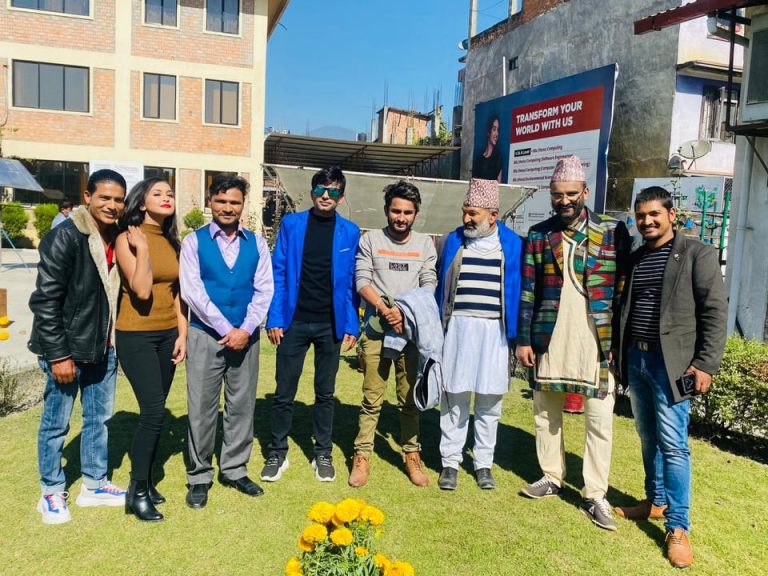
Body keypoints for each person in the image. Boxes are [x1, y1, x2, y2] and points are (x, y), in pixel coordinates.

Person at [516, 155, 630, 530]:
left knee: (599, 420)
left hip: (597, 340)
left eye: (570, 194)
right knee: (545, 412)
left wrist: (618, 341)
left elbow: (622, 290)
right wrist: (524, 339)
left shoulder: (612, 231)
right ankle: (552, 476)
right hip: (550, 336)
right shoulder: (538, 234)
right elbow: (528, 291)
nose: (563, 201)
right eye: (557, 194)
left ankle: (595, 494)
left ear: (585, 191)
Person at [615, 186, 726, 568]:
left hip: (674, 366)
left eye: (654, 215)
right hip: (638, 360)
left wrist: (705, 364)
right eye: (640, 216)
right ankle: (656, 500)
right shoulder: (636, 258)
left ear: (671, 215)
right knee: (648, 436)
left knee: (674, 444)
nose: (646, 221)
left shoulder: (698, 254)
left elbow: (715, 312)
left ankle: (678, 527)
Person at [29, 169, 128, 525]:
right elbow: (45, 301)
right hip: (67, 350)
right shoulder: (66, 236)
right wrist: (59, 355)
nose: (112, 205)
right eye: (105, 197)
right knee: (56, 424)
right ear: (88, 197)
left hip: (103, 347)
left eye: (118, 200)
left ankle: (95, 484)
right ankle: (51, 491)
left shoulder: (116, 235)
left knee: (99, 420)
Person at [180, 174, 274, 508]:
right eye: (221, 201)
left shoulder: (257, 244)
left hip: (246, 336)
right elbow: (193, 292)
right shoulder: (193, 242)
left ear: (243, 205)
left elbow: (264, 289)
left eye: (234, 202)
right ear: (210, 202)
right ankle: (199, 475)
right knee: (201, 407)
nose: (228, 207)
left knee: (242, 405)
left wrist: (245, 329)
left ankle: (234, 469)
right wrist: (226, 329)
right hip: (206, 335)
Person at [261, 166, 359, 483]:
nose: (325, 196)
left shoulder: (350, 232)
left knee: (325, 393)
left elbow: (350, 283)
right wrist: (275, 317)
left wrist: (351, 324)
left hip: (330, 324)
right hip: (294, 322)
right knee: (283, 392)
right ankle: (277, 452)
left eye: (333, 191)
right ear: (313, 191)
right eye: (320, 189)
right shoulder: (292, 225)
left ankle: (323, 453)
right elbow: (278, 272)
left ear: (341, 197)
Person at [435, 178, 522, 491]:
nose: (467, 218)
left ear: (493, 216)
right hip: (458, 328)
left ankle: (483, 463)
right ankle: (450, 462)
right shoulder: (453, 241)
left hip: (494, 332)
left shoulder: (513, 245)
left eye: (473, 213)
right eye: (465, 211)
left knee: (489, 400)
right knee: (454, 397)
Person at [348, 180, 437, 488]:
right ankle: (362, 455)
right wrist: (386, 310)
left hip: (411, 331)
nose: (401, 217)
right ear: (387, 210)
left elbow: (429, 282)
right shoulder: (371, 240)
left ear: (416, 214)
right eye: (396, 211)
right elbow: (362, 280)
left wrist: (405, 312)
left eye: (407, 212)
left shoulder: (425, 244)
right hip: (376, 330)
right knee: (371, 397)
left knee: (409, 398)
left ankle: (412, 454)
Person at [114, 178, 186, 522]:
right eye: (157, 194)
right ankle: (137, 491)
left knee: (155, 414)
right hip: (136, 335)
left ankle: (145, 482)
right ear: (141, 203)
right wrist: (141, 249)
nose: (166, 198)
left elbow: (177, 293)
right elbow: (141, 290)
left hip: (167, 334)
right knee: (154, 413)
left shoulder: (172, 240)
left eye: (169, 193)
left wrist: (182, 334)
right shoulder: (127, 238)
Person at [472, 115, 503, 182]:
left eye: (498, 130)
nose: (497, 134)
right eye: (494, 129)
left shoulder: (498, 157)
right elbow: (474, 181)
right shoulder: (479, 158)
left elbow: (499, 183)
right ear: (488, 132)